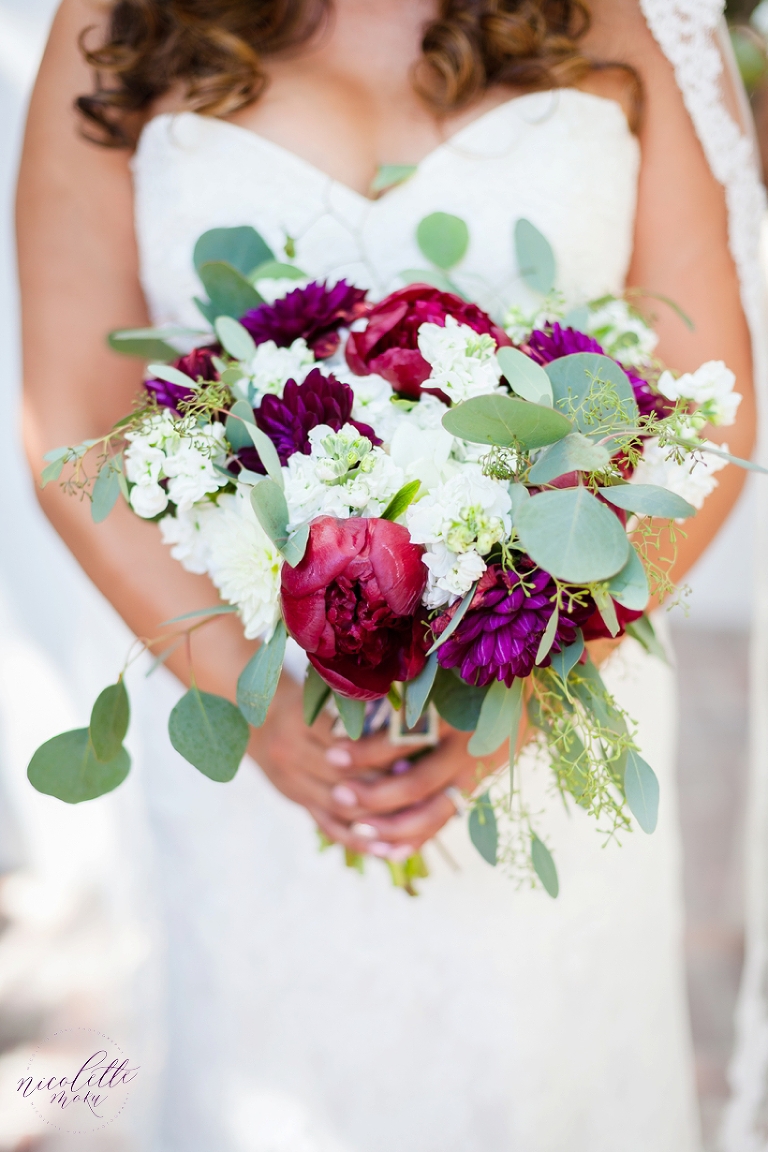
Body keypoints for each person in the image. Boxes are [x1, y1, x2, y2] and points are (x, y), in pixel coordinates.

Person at [14, 1, 759, 1148]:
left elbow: (712, 399)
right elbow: (71, 414)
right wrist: (246, 706)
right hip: (263, 715)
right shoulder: (118, 18)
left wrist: (540, 665)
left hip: (550, 712)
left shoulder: (646, 18)